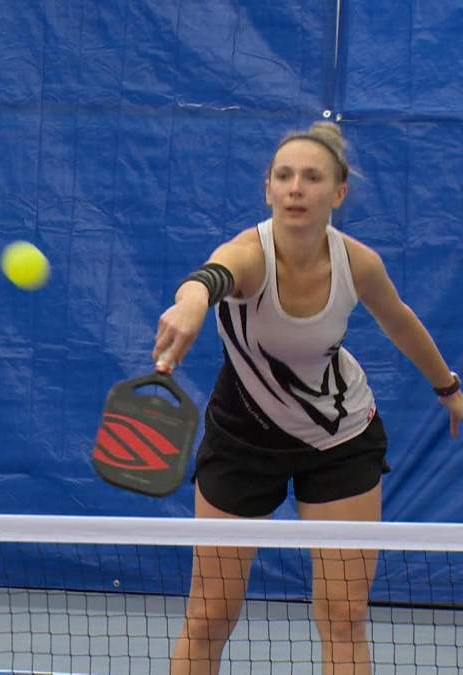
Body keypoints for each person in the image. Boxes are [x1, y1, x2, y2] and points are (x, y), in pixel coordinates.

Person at [153, 121, 463, 675]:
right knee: (207, 617)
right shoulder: (250, 254)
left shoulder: (358, 263)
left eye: (312, 177)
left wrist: (449, 389)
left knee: (343, 618)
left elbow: (401, 322)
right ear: (268, 188)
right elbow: (211, 277)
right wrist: (191, 302)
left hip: (340, 439)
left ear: (337, 193)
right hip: (242, 442)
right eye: (284, 176)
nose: (296, 187)